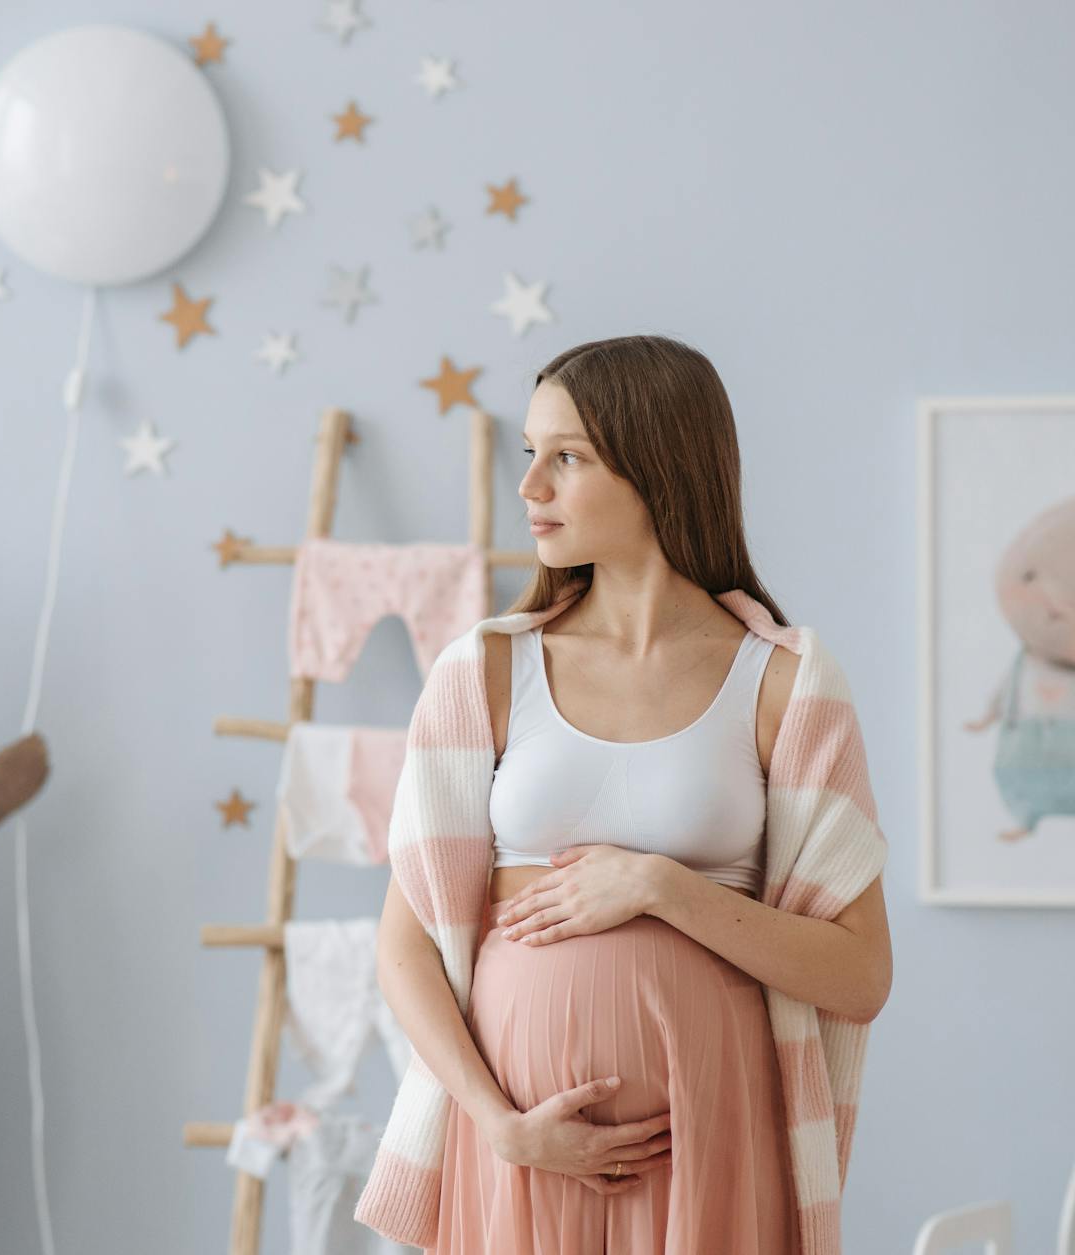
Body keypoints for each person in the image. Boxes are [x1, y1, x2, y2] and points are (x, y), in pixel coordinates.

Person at [371, 335, 892, 1253]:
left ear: (662, 464)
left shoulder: (786, 682)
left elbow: (860, 974)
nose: (530, 486)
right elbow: (406, 946)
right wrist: (499, 1124)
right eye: (530, 454)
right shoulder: (486, 671)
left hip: (711, 1138)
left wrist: (661, 885)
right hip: (518, 1145)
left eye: (566, 458)